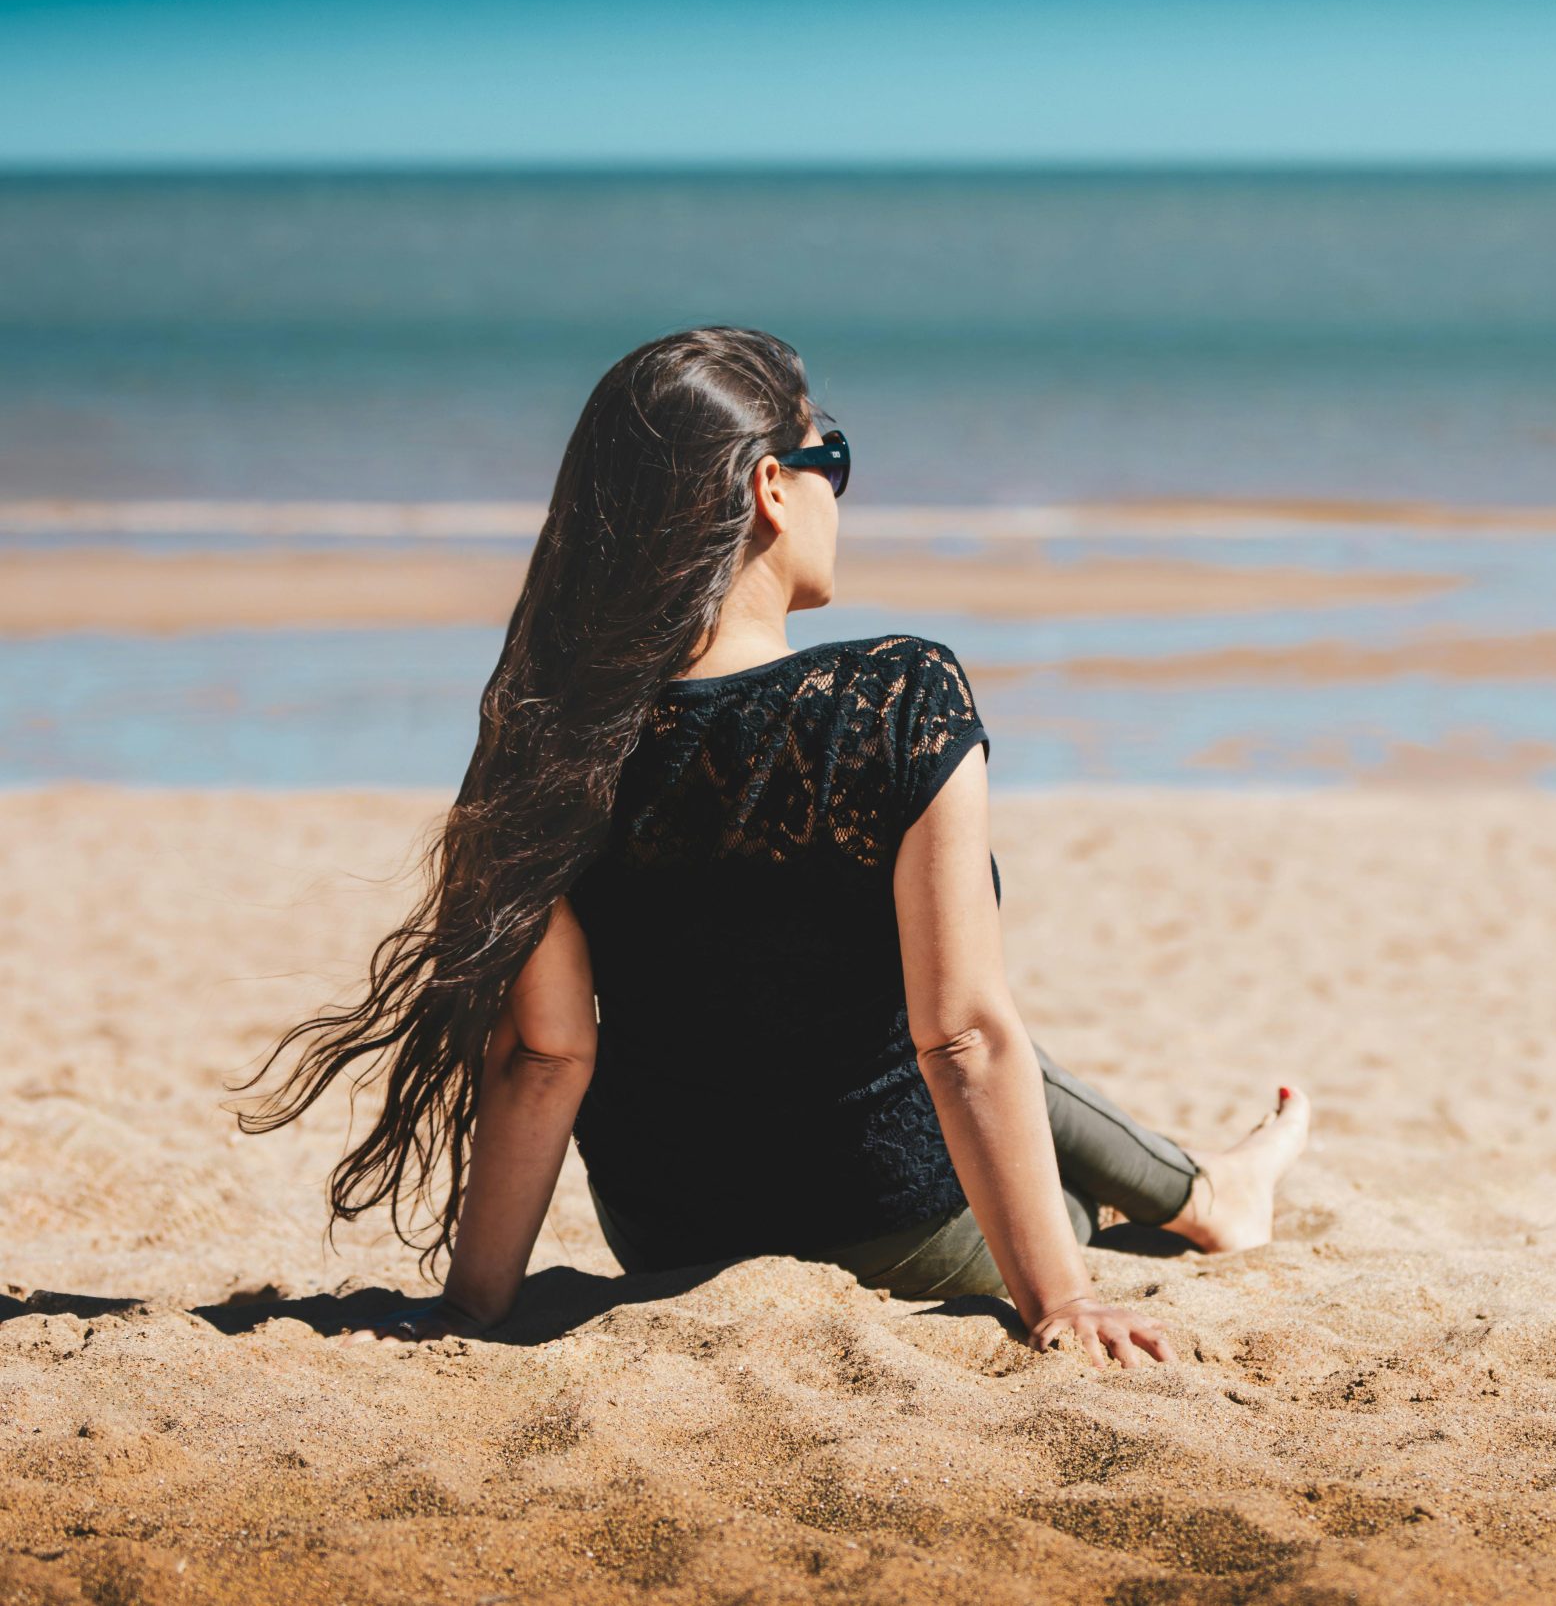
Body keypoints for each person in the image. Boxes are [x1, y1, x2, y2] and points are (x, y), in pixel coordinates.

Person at [232, 325, 1310, 1370]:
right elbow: (962, 1040)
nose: (837, 486)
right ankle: (1209, 1197)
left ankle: (1213, 1188)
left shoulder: (555, 736)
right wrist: (1062, 1298)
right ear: (769, 488)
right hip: (897, 1232)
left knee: (901, 1021)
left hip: (669, 1241)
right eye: (827, 455)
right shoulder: (899, 693)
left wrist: (475, 1308)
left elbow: (547, 1054)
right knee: (1011, 1111)